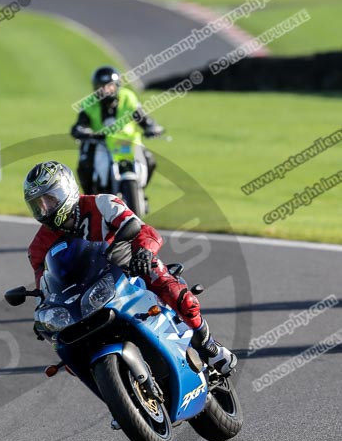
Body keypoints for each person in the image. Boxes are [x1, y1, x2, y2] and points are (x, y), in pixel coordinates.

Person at [24, 160, 237, 376]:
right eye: (38, 204)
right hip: (85, 292)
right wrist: (42, 312)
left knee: (177, 294)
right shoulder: (38, 246)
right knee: (67, 350)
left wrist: (144, 251)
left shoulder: (103, 204)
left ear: (67, 189)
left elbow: (144, 230)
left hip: (128, 265)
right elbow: (44, 286)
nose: (45, 209)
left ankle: (208, 345)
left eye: (49, 199)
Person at [71, 66, 164, 195]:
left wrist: (151, 127)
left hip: (127, 141)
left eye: (110, 86)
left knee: (149, 160)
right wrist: (84, 131)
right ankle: (91, 196)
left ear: (117, 85)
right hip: (101, 143)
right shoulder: (89, 103)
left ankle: (139, 190)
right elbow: (80, 125)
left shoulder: (128, 97)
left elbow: (143, 118)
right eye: (101, 87)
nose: (106, 90)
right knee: (85, 164)